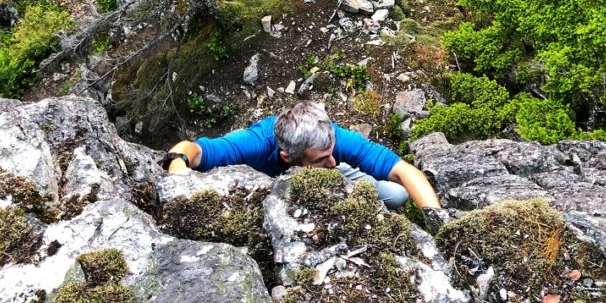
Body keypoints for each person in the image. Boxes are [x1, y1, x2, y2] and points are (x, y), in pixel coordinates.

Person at [162, 100, 440, 210]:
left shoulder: (335, 141)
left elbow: (403, 170)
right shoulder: (256, 143)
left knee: (399, 194)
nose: (331, 161)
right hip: (273, 185)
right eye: (320, 159)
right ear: (287, 156)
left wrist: (437, 220)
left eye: (331, 153)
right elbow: (191, 150)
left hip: (334, 178)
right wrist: (179, 168)